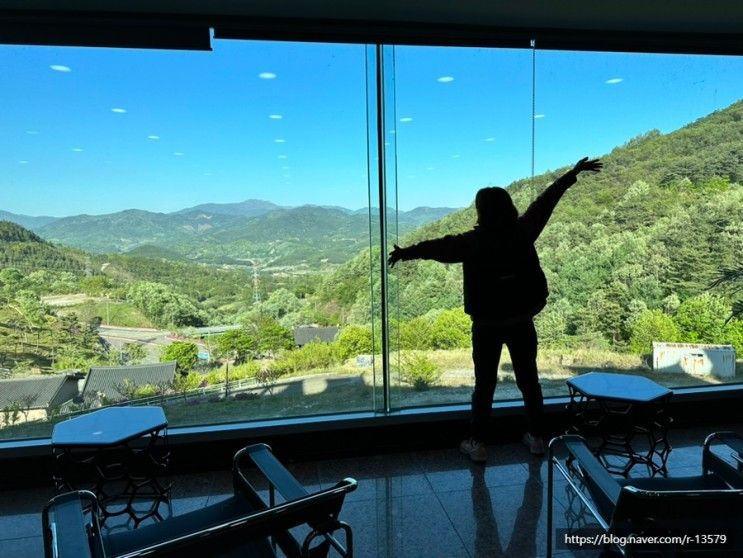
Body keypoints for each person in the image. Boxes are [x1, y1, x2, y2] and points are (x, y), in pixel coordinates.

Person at [388, 157, 602, 462]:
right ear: (508, 206)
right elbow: (547, 201)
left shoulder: (472, 242)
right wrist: (573, 174)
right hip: (521, 320)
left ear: (481, 211)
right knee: (529, 381)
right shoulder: (524, 231)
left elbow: (437, 247)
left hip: (486, 323)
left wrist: (405, 253)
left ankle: (479, 443)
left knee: (484, 384)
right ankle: (538, 438)